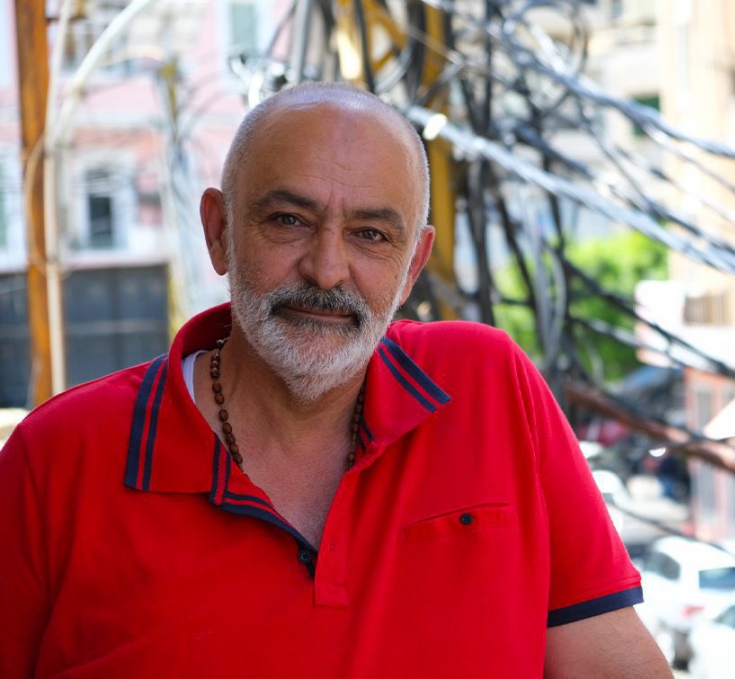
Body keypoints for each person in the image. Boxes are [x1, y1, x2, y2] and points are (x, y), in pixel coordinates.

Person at [0, 83, 671, 678]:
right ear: (219, 231)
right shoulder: (57, 459)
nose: (326, 268)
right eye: (289, 220)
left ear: (412, 267)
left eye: (371, 234)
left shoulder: (489, 388)